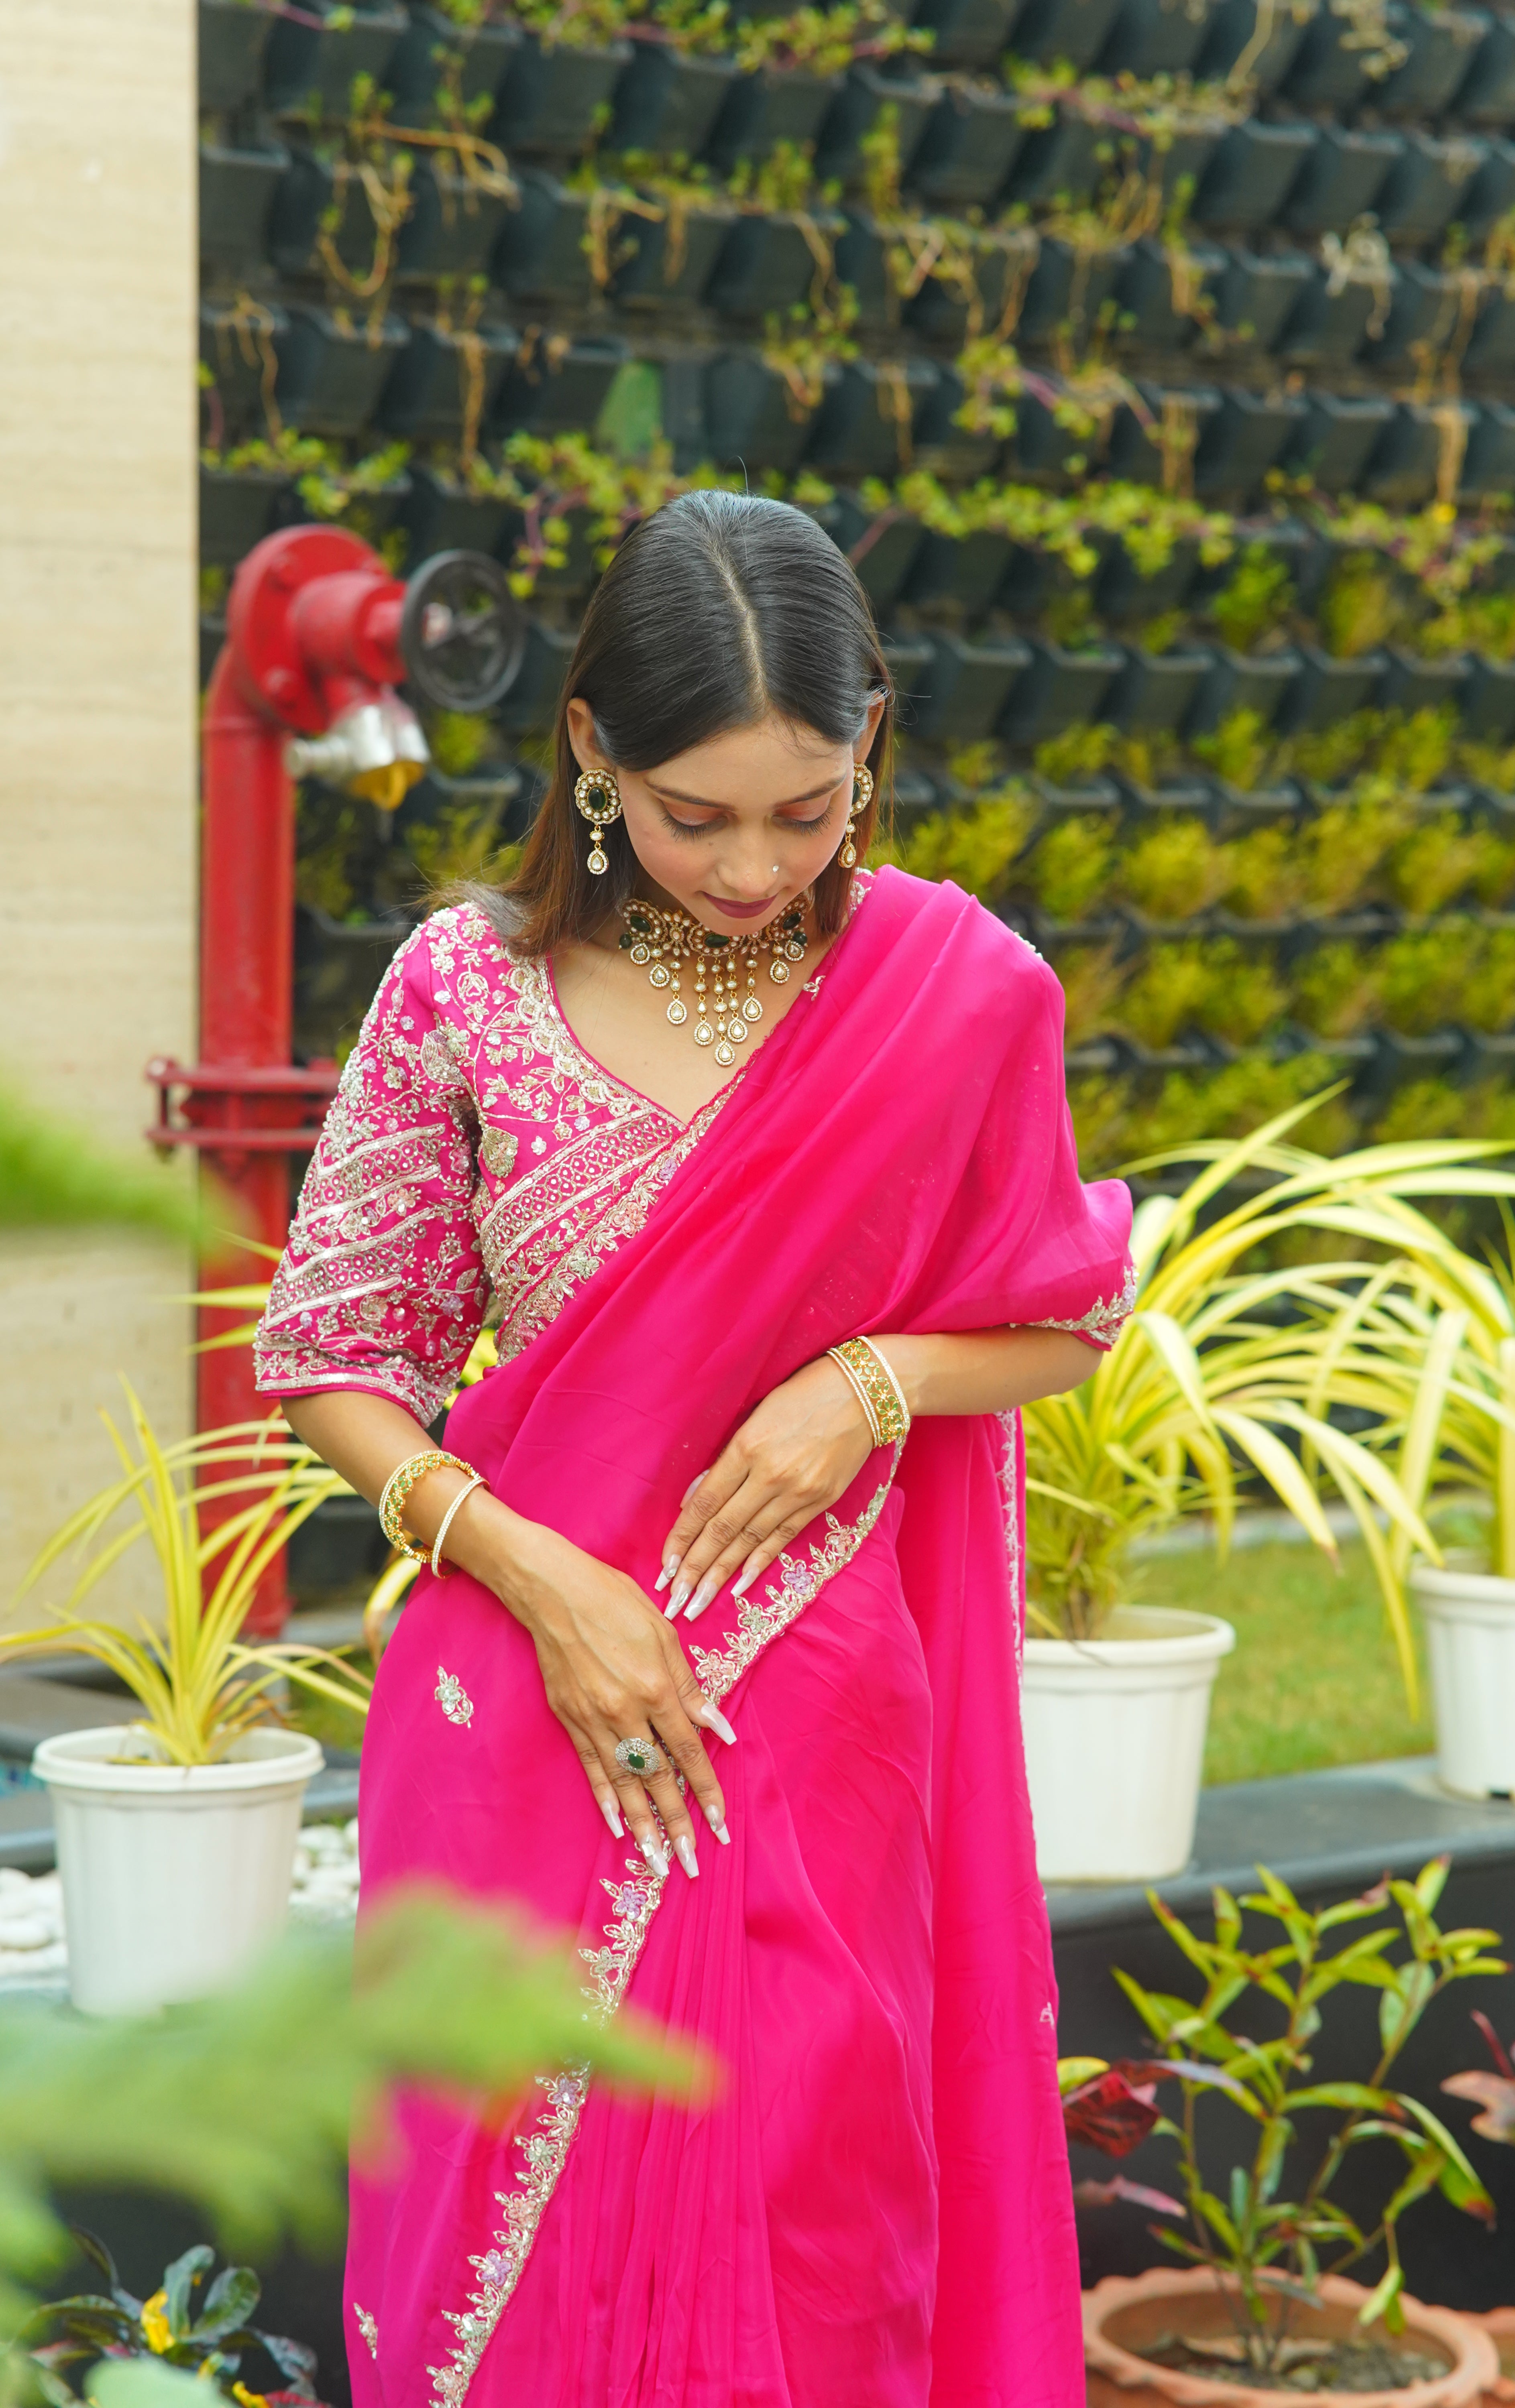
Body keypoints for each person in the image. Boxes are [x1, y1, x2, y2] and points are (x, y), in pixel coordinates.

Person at [257, 490, 1135, 2408]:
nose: (752, 867)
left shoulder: (956, 995)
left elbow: (1064, 1310)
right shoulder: (463, 991)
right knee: (509, 2286)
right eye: (693, 812)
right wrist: (545, 1576)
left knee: (813, 2242)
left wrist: (873, 1386)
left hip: (815, 1730)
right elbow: (335, 1357)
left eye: (807, 809)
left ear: (868, 749)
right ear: (592, 751)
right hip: (517, 1724)